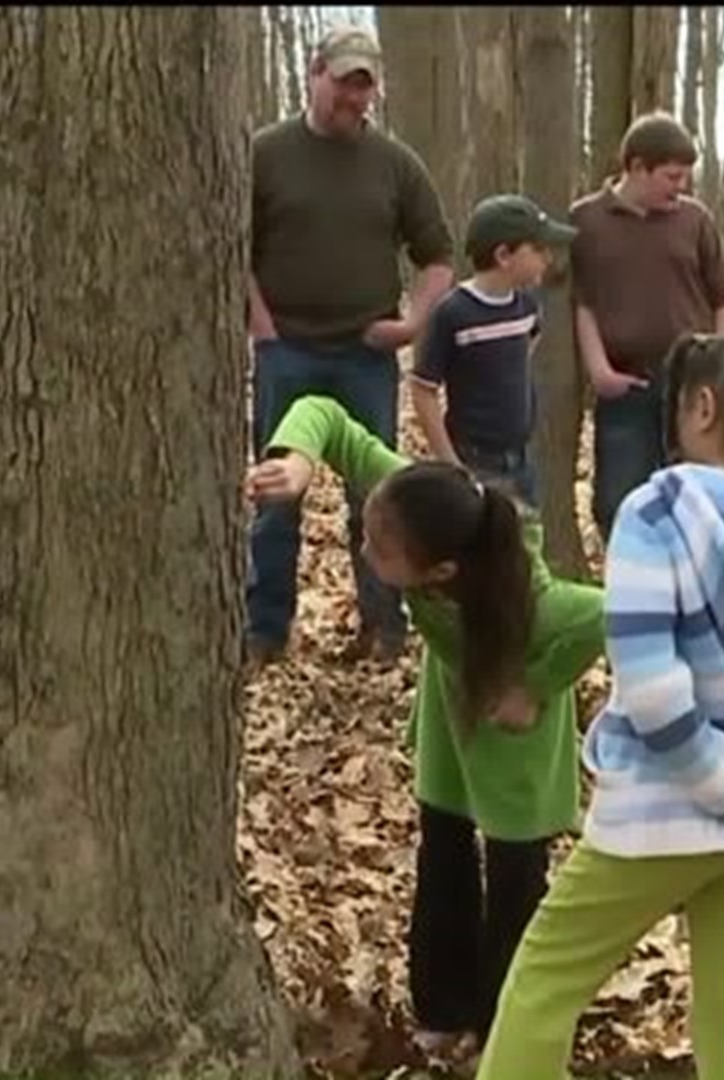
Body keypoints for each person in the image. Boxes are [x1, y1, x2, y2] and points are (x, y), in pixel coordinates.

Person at [474, 333, 724, 1080]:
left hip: (659, 809)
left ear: (702, 407)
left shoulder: (654, 512)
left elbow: (656, 696)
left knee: (543, 979)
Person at [244, 395, 605, 1064]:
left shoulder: (535, 601)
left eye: (380, 550)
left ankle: (504, 1030)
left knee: (516, 885)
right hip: (451, 722)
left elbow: (605, 616)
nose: (363, 546)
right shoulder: (425, 506)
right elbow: (325, 413)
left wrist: (536, 688)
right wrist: (294, 463)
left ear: (440, 572)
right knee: (443, 853)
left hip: (516, 745)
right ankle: (443, 1008)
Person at [247, 25, 455, 667]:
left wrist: (414, 321)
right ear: (316, 74)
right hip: (288, 349)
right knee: (279, 492)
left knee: (378, 496)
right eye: (344, 84)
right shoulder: (266, 154)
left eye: (365, 88)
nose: (354, 100)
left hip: (365, 354)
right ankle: (265, 631)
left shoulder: (395, 164)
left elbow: (437, 257)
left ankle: (384, 628)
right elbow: (232, 246)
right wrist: (259, 321)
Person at [569, 111, 724, 545]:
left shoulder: (694, 220)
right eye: (671, 176)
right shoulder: (586, 221)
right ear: (638, 167)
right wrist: (598, 369)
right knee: (618, 497)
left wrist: (719, 364)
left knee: (693, 494)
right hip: (626, 379)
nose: (679, 187)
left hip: (690, 380)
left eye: (684, 177)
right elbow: (582, 302)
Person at [409, 194, 576, 506]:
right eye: (538, 250)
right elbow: (423, 390)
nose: (548, 259)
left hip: (522, 458)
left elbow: (528, 343)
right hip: (475, 461)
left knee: (525, 542)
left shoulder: (526, 305)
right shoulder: (454, 313)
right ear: (503, 255)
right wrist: (450, 463)